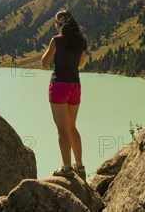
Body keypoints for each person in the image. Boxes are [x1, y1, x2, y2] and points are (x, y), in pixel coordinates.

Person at [41, 10, 88, 180]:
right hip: (75, 85)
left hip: (59, 85)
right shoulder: (81, 41)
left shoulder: (56, 40)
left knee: (62, 129)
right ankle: (80, 166)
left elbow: (44, 63)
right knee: (72, 126)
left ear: (58, 24)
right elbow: (81, 62)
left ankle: (67, 168)